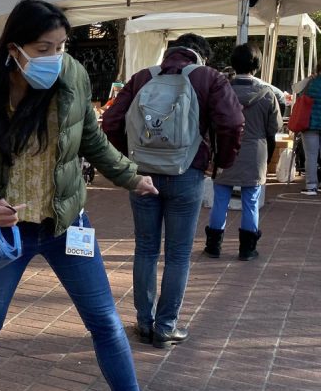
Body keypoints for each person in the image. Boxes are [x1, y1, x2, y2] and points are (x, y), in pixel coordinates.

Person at [0, 0, 199, 391]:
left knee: (104, 324)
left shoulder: (73, 75)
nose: (55, 57)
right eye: (44, 47)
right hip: (9, 234)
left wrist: (130, 175)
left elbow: (93, 139)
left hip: (65, 224)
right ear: (15, 47)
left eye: (61, 45)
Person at [102, 33, 244, 348]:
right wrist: (218, 161)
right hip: (186, 172)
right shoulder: (210, 78)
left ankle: (144, 323)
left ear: (169, 53)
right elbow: (233, 123)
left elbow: (111, 121)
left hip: (143, 176)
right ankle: (166, 327)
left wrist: (129, 158)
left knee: (146, 249)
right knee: (178, 254)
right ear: (201, 56)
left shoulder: (142, 77)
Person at [204, 44, 282, 260]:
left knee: (220, 199)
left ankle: (213, 246)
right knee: (251, 201)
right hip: (255, 153)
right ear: (256, 66)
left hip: (225, 149)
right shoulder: (267, 94)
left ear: (233, 63)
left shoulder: (222, 92)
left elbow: (211, 122)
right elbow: (273, 127)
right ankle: (247, 249)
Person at [298, 64, 321, 196]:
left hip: (310, 123)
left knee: (311, 156)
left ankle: (311, 186)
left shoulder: (310, 83)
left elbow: (298, 94)